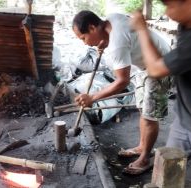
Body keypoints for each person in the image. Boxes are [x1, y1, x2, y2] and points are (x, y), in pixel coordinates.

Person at [130, 0, 191, 184]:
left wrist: (142, 29)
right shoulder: (189, 24)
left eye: (170, 5)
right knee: (167, 164)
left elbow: (155, 69)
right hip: (186, 116)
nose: (168, 13)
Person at [72, 10, 172, 175]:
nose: (84, 43)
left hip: (162, 65)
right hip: (147, 65)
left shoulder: (118, 42)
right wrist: (105, 40)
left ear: (91, 28)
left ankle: (145, 158)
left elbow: (122, 81)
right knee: (143, 109)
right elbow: (127, 35)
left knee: (150, 115)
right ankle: (142, 147)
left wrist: (93, 98)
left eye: (83, 38)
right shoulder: (111, 19)